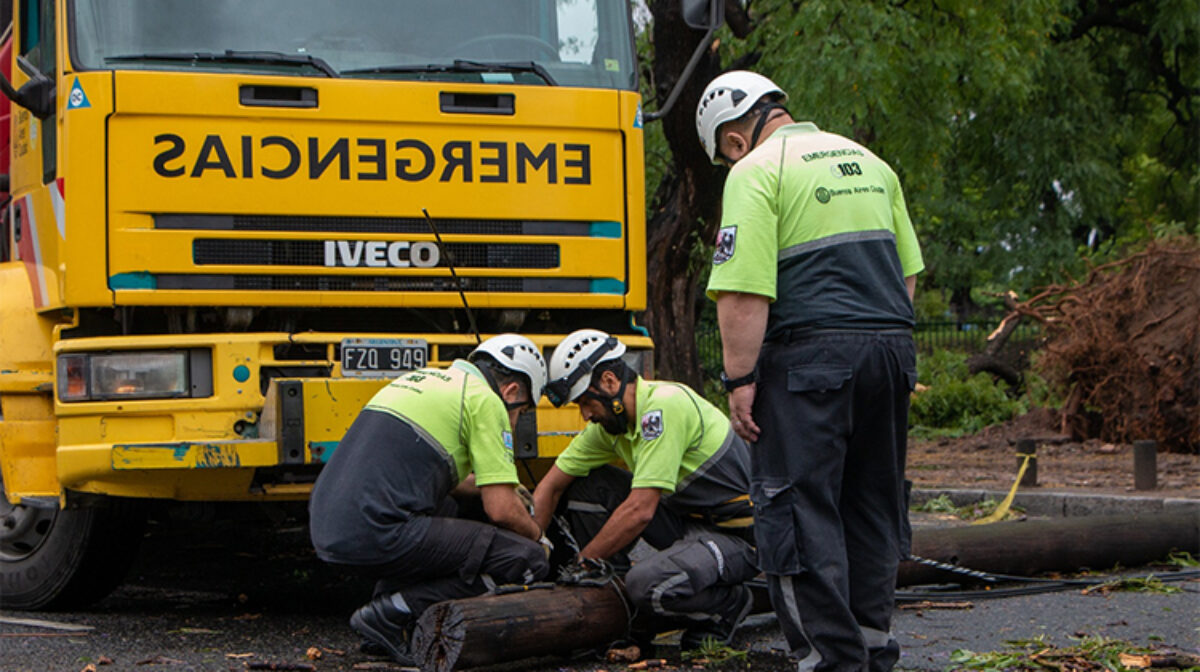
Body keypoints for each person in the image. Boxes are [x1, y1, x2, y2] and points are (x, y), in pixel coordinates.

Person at [696, 70, 923, 672]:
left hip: (809, 361)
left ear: (734, 138)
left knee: (797, 509)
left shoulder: (757, 172)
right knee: (872, 502)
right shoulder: (872, 163)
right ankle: (873, 649)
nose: (729, 161)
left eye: (724, 153)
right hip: (891, 349)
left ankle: (829, 661)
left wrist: (740, 381)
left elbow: (742, 292)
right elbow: (908, 278)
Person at [309, 334, 552, 664]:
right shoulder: (485, 400)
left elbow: (430, 475)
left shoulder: (421, 380)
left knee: (447, 508)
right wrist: (540, 538)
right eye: (521, 412)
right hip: (377, 531)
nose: (516, 420)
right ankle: (391, 613)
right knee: (525, 560)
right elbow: (500, 510)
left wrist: (496, 486)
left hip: (329, 526)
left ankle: (387, 617)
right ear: (511, 392)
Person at [532, 329, 758, 650]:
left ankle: (727, 604)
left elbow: (640, 511)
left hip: (741, 538)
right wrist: (532, 556)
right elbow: (550, 486)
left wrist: (584, 561)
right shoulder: (612, 428)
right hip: (688, 526)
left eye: (585, 402)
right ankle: (614, 596)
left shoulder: (663, 407)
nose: (584, 415)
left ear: (609, 382)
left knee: (647, 584)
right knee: (590, 485)